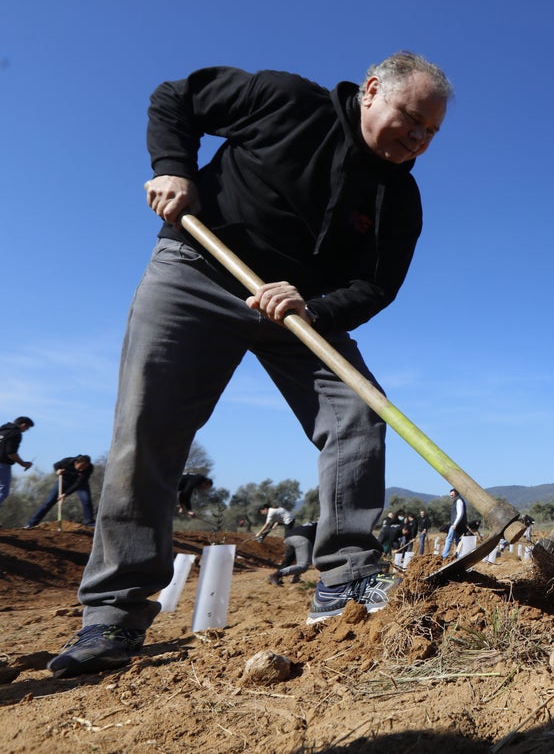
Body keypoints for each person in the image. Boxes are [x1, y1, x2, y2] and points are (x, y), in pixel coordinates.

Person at [48, 52, 454, 680]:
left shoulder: (400, 196)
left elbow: (377, 287)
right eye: (412, 119)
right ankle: (114, 614)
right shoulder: (286, 99)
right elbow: (175, 97)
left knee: (357, 414)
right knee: (147, 430)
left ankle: (347, 582)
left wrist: (312, 305)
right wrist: (174, 170)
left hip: (298, 313)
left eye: (431, 132)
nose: (420, 139)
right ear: (372, 90)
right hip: (198, 273)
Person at [25, 455, 96, 528]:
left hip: (80, 484)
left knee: (86, 501)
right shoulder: (67, 461)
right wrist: (57, 470)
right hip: (65, 481)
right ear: (76, 463)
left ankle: (89, 522)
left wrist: (65, 494)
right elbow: (56, 465)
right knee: (49, 501)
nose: (82, 469)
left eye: (85, 467)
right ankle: (31, 523)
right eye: (81, 467)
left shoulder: (89, 468)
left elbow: (78, 484)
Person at [256, 503, 315, 586]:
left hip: (289, 531)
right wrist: (260, 532)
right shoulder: (272, 511)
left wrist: (260, 532)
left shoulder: (271, 512)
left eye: (262, 512)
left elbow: (273, 521)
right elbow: (270, 523)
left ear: (265, 509)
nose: (262, 513)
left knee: (289, 558)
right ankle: (278, 575)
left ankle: (281, 576)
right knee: (302, 564)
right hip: (298, 536)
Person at [0, 416, 34, 509]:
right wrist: (23, 463)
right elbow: (11, 453)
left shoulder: (2, 430)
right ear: (23, 425)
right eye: (27, 428)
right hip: (2, 464)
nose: (26, 430)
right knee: (3, 492)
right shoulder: (15, 433)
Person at [441, 488, 468, 558]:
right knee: (458, 541)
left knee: (449, 539)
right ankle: (459, 556)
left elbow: (460, 513)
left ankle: (444, 555)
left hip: (455, 525)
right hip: (459, 525)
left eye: (452, 494)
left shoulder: (459, 500)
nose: (450, 495)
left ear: (456, 493)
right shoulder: (457, 500)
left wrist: (455, 524)